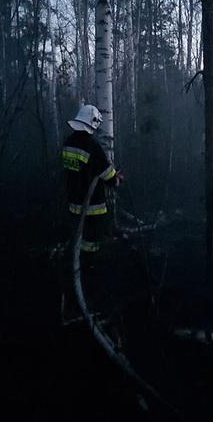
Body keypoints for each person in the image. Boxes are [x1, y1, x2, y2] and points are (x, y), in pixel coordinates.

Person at [60, 103, 123, 323]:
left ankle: (79, 266)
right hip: (94, 208)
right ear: (93, 123)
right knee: (92, 243)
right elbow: (108, 175)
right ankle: (90, 271)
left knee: (78, 239)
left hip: (74, 206)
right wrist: (117, 180)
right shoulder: (92, 146)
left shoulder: (68, 143)